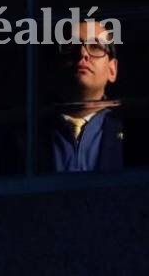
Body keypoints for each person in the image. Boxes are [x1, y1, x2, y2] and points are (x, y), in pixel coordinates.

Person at [39, 20, 124, 173]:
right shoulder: (25, 137)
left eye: (96, 47)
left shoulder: (138, 134)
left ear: (112, 70)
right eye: (71, 46)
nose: (82, 53)